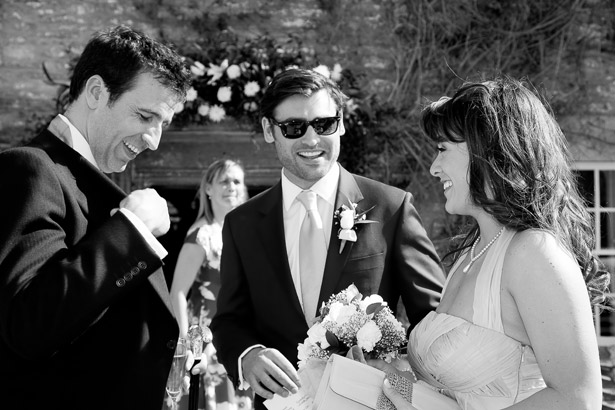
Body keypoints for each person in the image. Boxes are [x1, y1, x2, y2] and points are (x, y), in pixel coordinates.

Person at [210, 67, 446, 410]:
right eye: (293, 127)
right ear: (268, 130)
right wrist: (248, 356)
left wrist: (400, 372)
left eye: (324, 124)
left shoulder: (391, 208)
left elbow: (433, 320)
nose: (311, 139)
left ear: (342, 124)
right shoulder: (241, 223)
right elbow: (229, 320)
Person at [373, 76, 611, 410]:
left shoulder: (533, 252)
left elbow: (578, 399)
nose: (433, 167)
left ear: (488, 151)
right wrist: (385, 374)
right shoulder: (473, 251)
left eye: (442, 149)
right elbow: (447, 392)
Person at [0, 25, 203, 410]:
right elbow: (30, 325)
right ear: (96, 92)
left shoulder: (84, 181)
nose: (154, 140)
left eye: (163, 124)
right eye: (145, 116)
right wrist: (133, 231)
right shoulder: (29, 169)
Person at [170, 159, 253, 409]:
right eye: (224, 181)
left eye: (236, 181)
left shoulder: (248, 234)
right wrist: (188, 346)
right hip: (204, 339)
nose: (231, 187)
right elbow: (178, 293)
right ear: (208, 189)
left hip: (241, 334)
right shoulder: (201, 235)